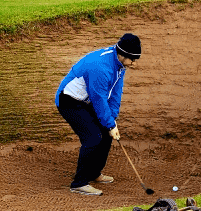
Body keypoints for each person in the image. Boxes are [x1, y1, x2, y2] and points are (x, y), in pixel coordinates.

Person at [55, 33, 141, 195]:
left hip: (85, 101)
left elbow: (116, 92)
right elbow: (99, 98)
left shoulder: (120, 65)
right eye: (132, 59)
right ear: (122, 55)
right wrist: (109, 123)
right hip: (68, 100)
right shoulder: (101, 67)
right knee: (93, 137)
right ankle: (79, 183)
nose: (133, 63)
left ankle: (94, 173)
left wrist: (112, 120)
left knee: (107, 134)